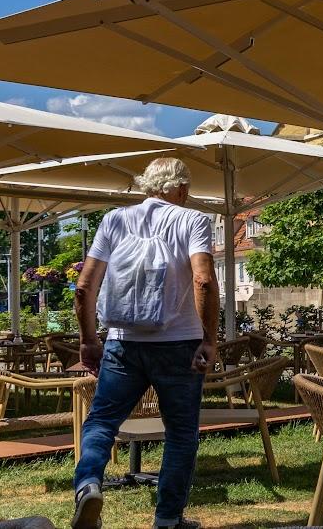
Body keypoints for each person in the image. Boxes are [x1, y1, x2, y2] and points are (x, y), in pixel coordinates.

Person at [71, 157, 219, 529]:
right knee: (181, 434)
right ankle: (167, 520)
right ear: (182, 189)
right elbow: (203, 280)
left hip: (122, 342)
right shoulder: (193, 220)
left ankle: (88, 484)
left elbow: (85, 286)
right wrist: (210, 339)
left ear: (146, 186)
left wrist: (89, 340)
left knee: (102, 422)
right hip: (179, 344)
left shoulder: (115, 220)